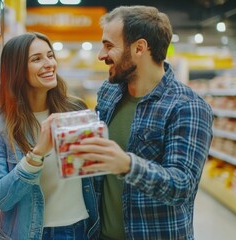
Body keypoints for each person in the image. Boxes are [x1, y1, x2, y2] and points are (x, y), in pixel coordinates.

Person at [69, 6, 214, 240]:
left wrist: (127, 165)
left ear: (139, 48)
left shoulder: (188, 106)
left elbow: (182, 186)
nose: (101, 55)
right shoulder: (110, 91)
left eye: (109, 45)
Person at [0, 32, 100, 240]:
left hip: (82, 228)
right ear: (16, 69)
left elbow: (90, 170)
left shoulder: (74, 109)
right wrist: (37, 154)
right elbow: (1, 198)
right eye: (37, 59)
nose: (49, 64)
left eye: (50, 56)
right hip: (31, 234)